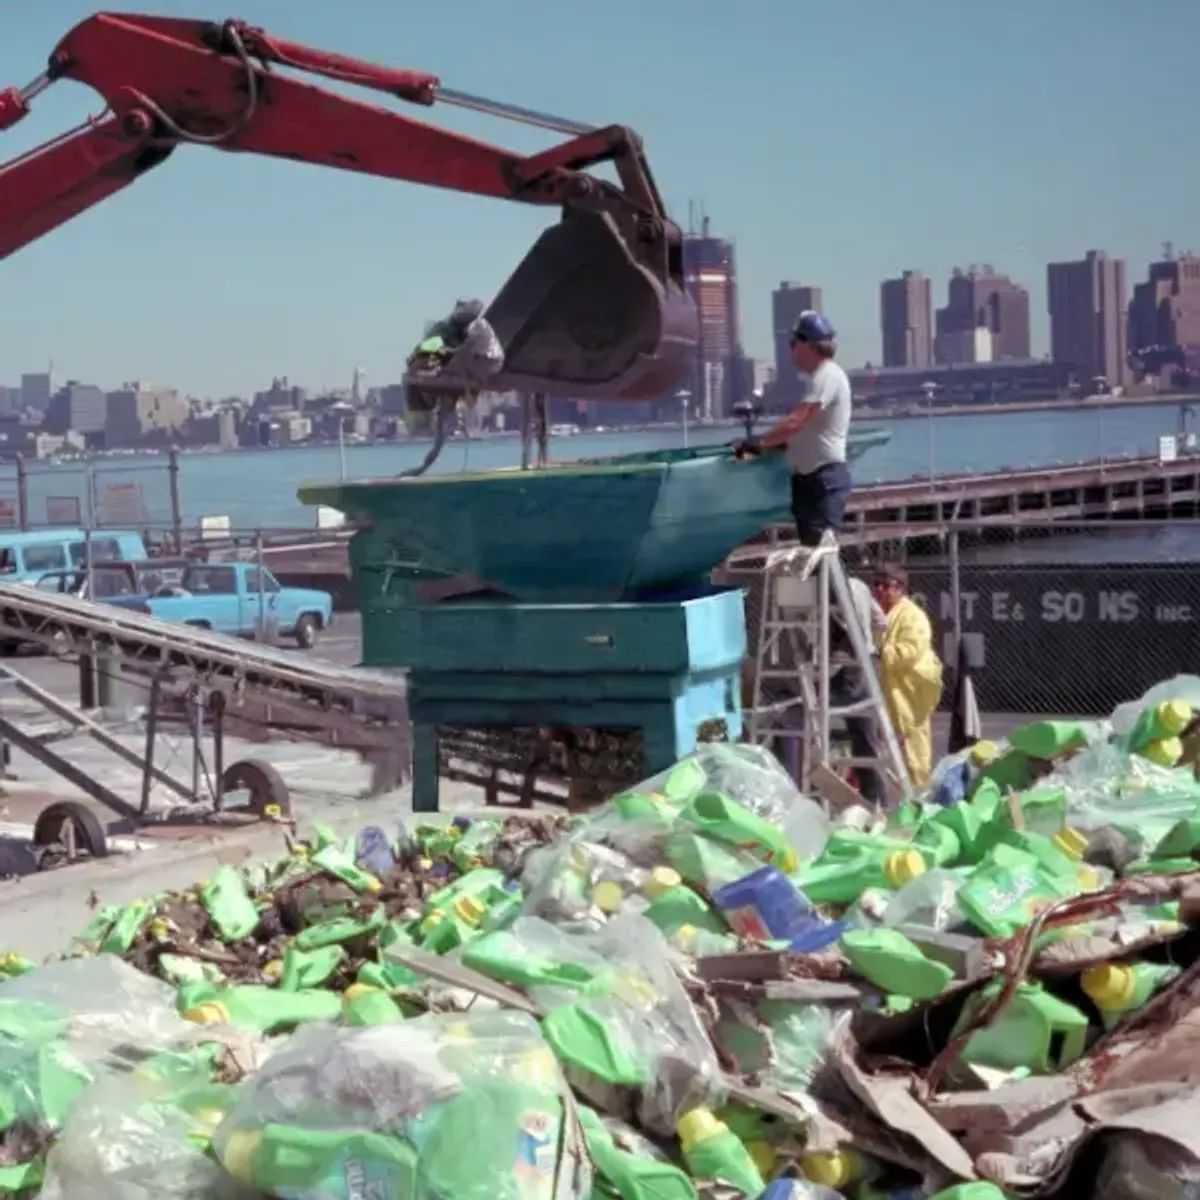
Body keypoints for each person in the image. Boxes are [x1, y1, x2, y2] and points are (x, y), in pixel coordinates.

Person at [738, 310, 853, 545]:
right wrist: (766, 446)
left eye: (793, 343)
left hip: (823, 480)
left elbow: (795, 422)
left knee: (821, 556)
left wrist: (757, 443)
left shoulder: (827, 375)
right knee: (814, 555)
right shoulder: (817, 378)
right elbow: (801, 433)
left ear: (807, 344)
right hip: (809, 481)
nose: (791, 350)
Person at [872, 563, 944, 789]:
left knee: (914, 746)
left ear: (900, 588)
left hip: (912, 690)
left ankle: (920, 794)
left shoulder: (913, 616)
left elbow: (911, 650)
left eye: (885, 585)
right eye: (876, 585)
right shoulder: (881, 613)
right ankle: (905, 794)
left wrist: (882, 653)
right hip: (893, 688)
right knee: (897, 748)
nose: (879, 590)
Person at [829, 574, 888, 803]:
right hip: (868, 661)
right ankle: (875, 796)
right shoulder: (860, 586)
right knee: (864, 733)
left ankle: (868, 794)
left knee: (826, 726)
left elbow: (846, 635)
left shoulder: (831, 590)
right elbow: (881, 622)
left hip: (849, 667)